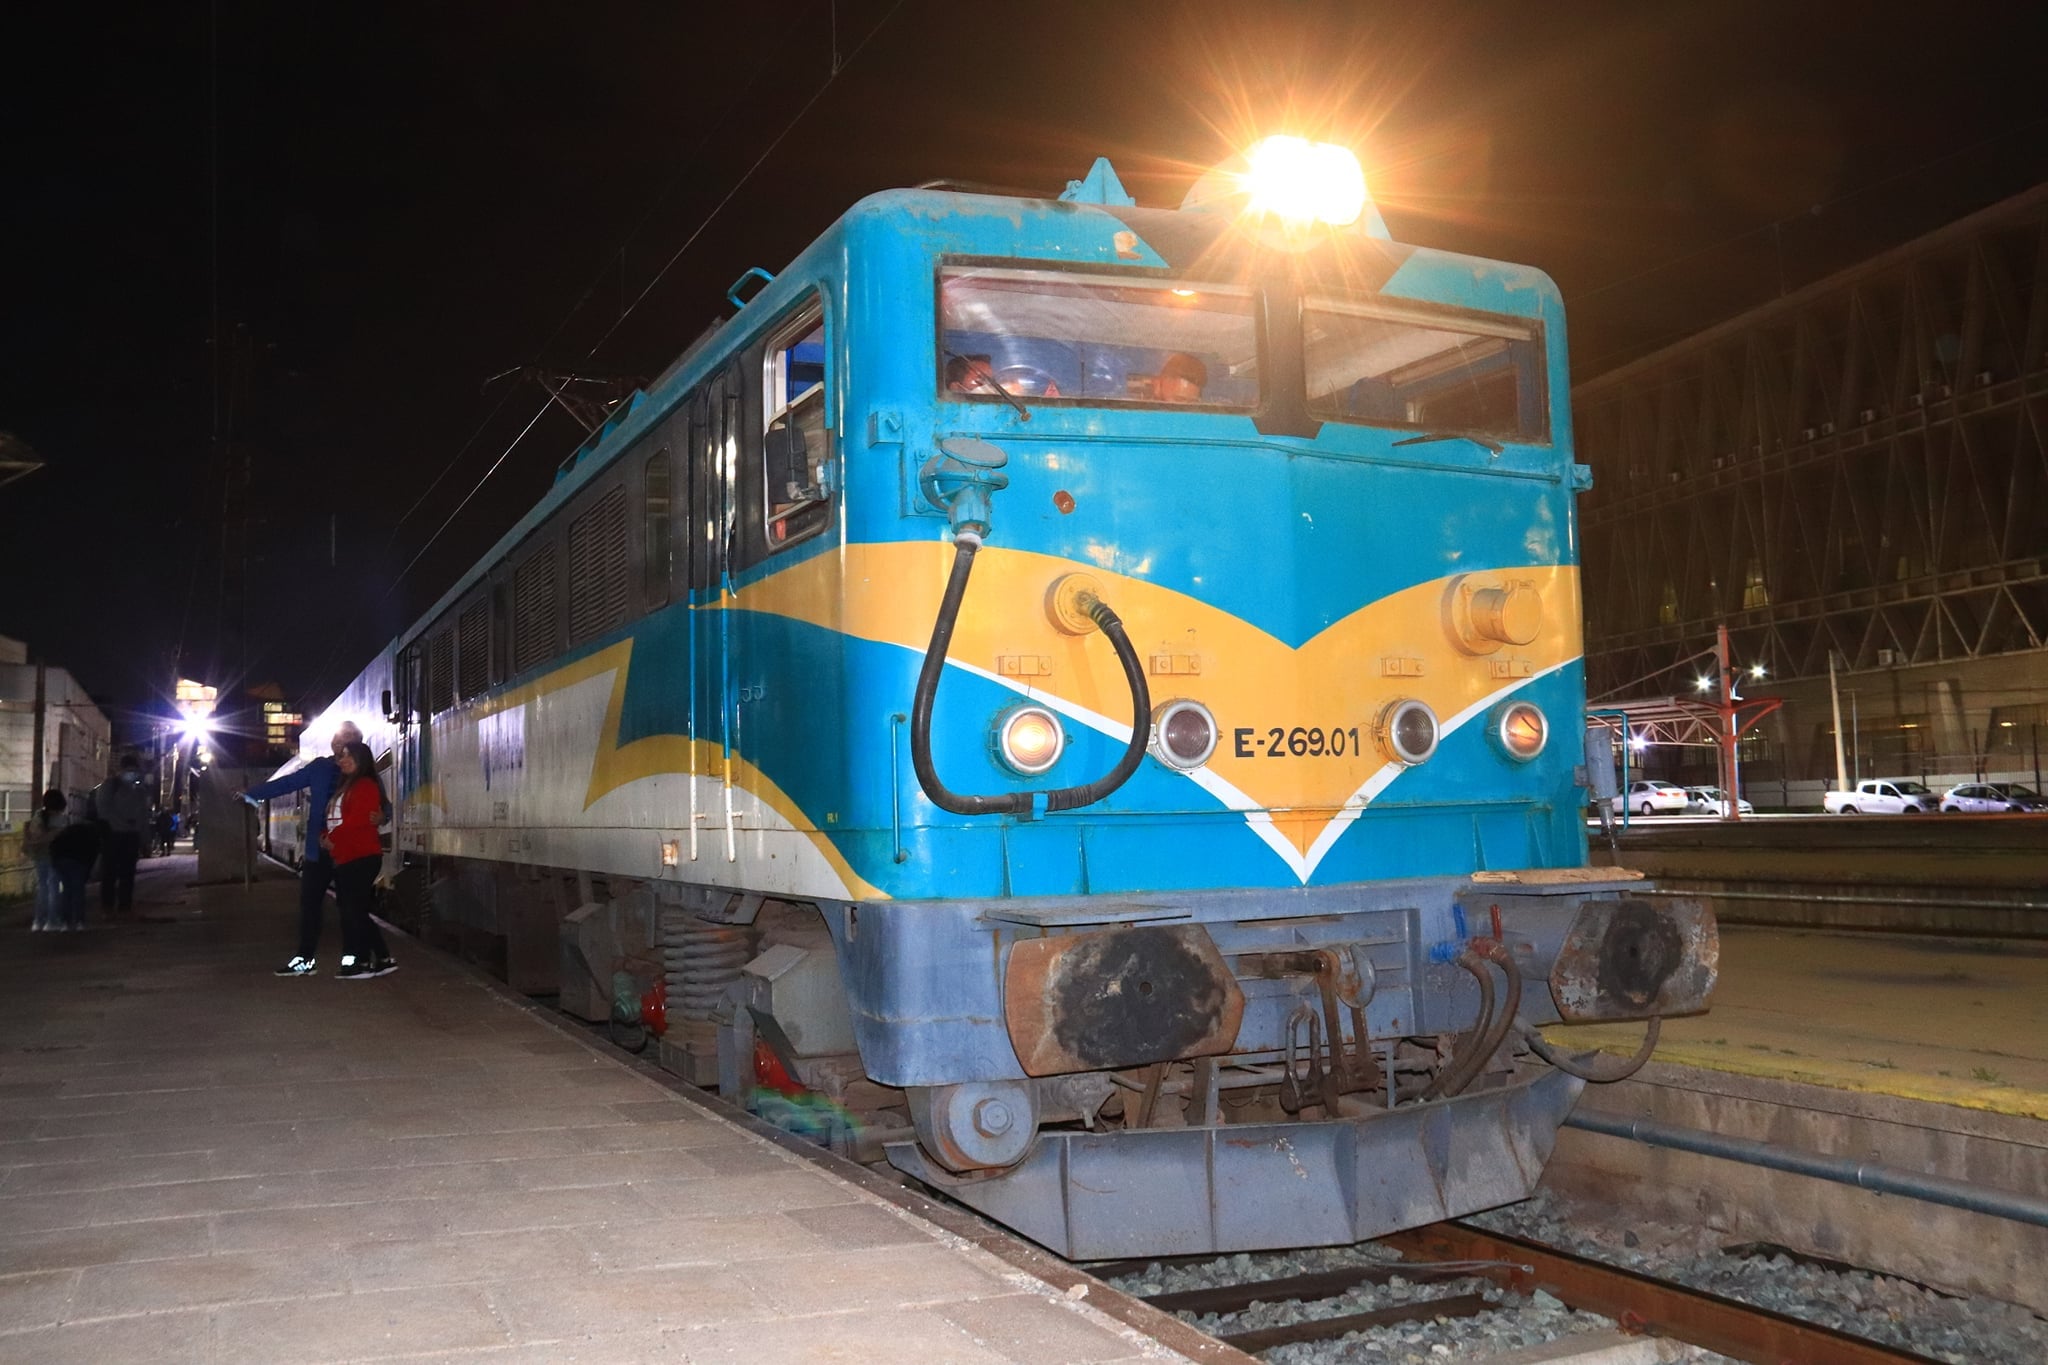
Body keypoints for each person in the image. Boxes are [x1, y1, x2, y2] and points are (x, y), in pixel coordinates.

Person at [239, 721, 394, 978]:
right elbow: (287, 784)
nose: (336, 745)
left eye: (343, 741)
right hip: (318, 850)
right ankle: (305, 959)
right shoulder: (320, 768)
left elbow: (382, 807)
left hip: (348, 852)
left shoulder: (364, 777)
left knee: (351, 908)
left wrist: (381, 817)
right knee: (311, 905)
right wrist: (253, 793)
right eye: (335, 740)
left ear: (354, 745)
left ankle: (364, 959)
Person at [326, 741, 394, 981]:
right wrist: (326, 837)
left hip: (361, 855)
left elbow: (357, 821)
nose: (341, 760)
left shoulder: (364, 785)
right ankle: (378, 959)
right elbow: (336, 820)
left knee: (352, 911)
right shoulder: (345, 786)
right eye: (340, 756)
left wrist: (331, 838)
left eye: (347, 755)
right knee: (354, 910)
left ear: (361, 758)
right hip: (346, 855)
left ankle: (360, 962)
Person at [91, 754, 151, 915]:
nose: (132, 773)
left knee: (128, 873)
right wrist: (123, 822)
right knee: (109, 872)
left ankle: (125, 906)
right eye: (129, 770)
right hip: (113, 835)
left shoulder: (139, 790)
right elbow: (103, 810)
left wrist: (145, 838)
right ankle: (108, 906)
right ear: (122, 769)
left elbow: (144, 815)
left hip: (131, 836)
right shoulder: (111, 785)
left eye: (135, 770)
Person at [47, 805, 102, 932]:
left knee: (66, 891)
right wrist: (87, 874)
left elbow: (56, 843)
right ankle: (79, 922)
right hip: (77, 860)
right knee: (78, 892)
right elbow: (91, 857)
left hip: (60, 858)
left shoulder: (75, 828)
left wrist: (55, 861)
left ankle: (65, 922)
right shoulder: (94, 836)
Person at [22, 789, 69, 931]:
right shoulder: (61, 819)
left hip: (39, 856)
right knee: (54, 887)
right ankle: (53, 920)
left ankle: (38, 921)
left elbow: (32, 833)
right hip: (54, 856)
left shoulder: (38, 816)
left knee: (42, 887)